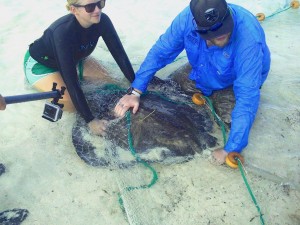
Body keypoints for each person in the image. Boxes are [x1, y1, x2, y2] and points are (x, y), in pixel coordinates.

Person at [114, 0, 271, 164]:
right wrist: (135, 91)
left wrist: (231, 149)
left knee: (229, 121)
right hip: (202, 68)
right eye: (210, 34)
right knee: (169, 89)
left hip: (234, 80)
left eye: (223, 30)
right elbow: (160, 52)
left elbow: (247, 95)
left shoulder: (249, 39)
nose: (217, 36)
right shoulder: (186, 19)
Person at [24, 0, 135, 135]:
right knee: (70, 104)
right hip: (42, 66)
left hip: (75, 59)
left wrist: (135, 87)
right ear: (74, 10)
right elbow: (71, 81)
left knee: (110, 79)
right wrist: (91, 120)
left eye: (100, 3)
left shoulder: (103, 21)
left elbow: (120, 56)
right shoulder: (62, 32)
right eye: (89, 7)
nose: (97, 10)